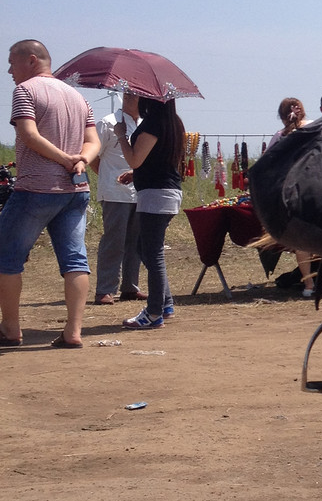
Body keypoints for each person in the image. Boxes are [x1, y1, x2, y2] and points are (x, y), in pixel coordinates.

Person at [0, 39, 100, 349]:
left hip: (36, 188)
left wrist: (63, 159)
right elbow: (93, 142)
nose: (9, 71)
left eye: (11, 63)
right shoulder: (77, 97)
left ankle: (11, 328)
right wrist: (80, 159)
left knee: (6, 258)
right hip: (76, 189)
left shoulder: (25, 91)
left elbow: (29, 135)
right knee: (74, 260)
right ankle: (73, 331)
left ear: (31, 60)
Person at [115, 97, 185, 330]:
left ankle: (155, 312)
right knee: (143, 248)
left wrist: (121, 136)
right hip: (165, 191)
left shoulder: (154, 123)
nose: (134, 98)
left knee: (152, 253)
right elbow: (158, 160)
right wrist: (136, 175)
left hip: (156, 195)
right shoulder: (173, 122)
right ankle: (164, 304)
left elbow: (135, 159)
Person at [90, 92, 144, 305]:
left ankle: (130, 287)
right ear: (129, 98)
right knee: (114, 240)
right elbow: (93, 156)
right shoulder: (108, 123)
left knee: (135, 241)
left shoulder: (144, 124)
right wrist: (107, 177)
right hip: (115, 193)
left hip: (139, 191)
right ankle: (105, 288)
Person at [265, 97, 315, 295]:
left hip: (292, 195)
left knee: (301, 242)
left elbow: (267, 166)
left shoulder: (279, 136)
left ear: (281, 116)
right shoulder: (316, 127)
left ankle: (309, 286)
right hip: (317, 190)